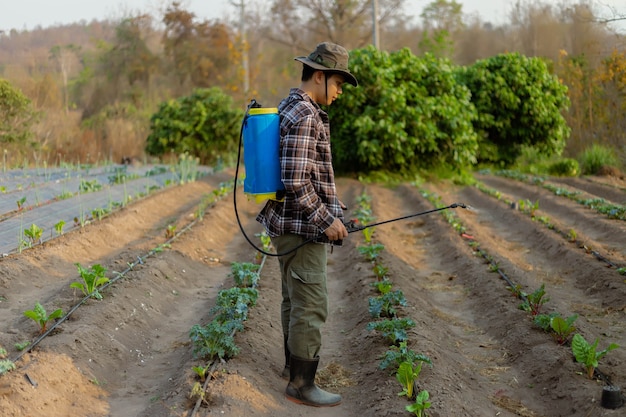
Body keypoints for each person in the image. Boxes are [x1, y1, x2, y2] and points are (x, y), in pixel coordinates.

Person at [256, 41, 358, 407]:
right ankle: (302, 384)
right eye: (339, 83)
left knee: (293, 298)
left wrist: (337, 211)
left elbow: (309, 175)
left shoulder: (292, 107)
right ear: (320, 76)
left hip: (289, 226)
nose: (340, 92)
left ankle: (291, 368)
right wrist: (325, 220)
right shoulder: (305, 115)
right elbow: (297, 179)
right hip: (301, 228)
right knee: (311, 302)